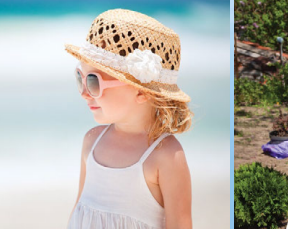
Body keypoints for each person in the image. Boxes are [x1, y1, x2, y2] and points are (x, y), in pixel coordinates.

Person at [64, 9, 194, 229]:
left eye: (94, 82)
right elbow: (79, 213)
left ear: (142, 92)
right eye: (80, 78)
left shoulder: (166, 156)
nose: (84, 92)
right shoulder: (91, 143)